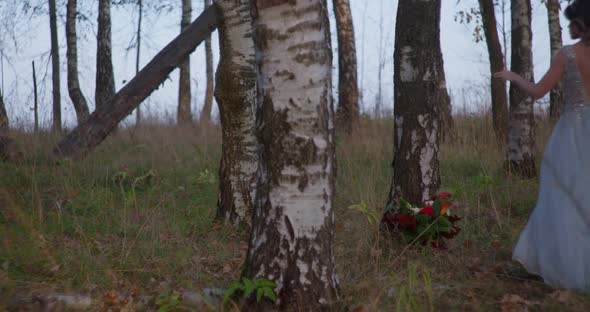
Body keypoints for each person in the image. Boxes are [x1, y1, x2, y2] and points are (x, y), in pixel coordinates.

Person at [495, 0, 590, 290]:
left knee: (561, 197)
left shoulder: (567, 55)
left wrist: (513, 77)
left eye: (573, 22)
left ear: (584, 23)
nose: (569, 27)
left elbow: (538, 92)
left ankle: (562, 266)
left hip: (572, 131)